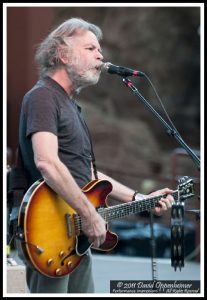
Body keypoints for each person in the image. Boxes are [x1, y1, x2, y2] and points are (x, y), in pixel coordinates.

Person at [18, 17, 174, 293]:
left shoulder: (71, 106)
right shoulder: (43, 97)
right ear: (62, 54)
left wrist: (139, 199)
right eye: (90, 49)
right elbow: (47, 162)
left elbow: (88, 175)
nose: (101, 55)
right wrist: (89, 214)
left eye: (99, 49)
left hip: (75, 233)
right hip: (49, 231)